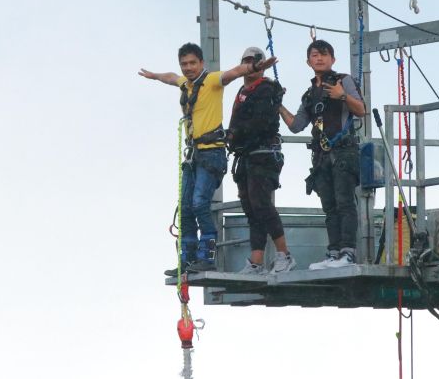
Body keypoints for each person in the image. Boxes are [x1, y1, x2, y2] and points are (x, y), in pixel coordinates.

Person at [139, 42, 276, 275]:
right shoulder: (186, 84)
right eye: (184, 64)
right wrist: (154, 76)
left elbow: (234, 73)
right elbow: (171, 77)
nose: (188, 67)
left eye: (193, 63)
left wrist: (255, 66)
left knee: (199, 203)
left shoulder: (212, 80)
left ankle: (206, 255)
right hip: (194, 155)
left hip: (211, 152)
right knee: (185, 208)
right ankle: (188, 258)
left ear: (202, 63)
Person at [279, 40, 365, 269]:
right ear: (308, 61)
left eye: (324, 54)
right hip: (321, 156)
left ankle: (348, 252)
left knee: (345, 202)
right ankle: (334, 252)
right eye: (315, 55)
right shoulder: (309, 95)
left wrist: (342, 96)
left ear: (332, 59)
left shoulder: (343, 81)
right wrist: (278, 104)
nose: (319, 58)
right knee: (330, 206)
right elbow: (296, 125)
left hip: (344, 151)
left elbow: (361, 110)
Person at [227, 46, 295, 275]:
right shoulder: (243, 90)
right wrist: (232, 137)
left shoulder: (266, 88)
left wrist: (235, 135)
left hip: (263, 154)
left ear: (262, 64)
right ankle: (256, 261)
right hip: (247, 155)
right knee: (251, 208)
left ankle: (284, 254)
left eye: (254, 60)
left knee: (262, 204)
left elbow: (260, 123)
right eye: (246, 60)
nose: (250, 64)